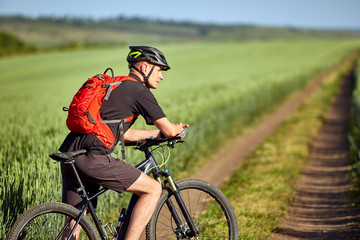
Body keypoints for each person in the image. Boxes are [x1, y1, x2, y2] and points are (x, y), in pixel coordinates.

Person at [59, 46, 189, 240]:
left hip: (71, 153)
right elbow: (170, 130)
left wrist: (154, 134)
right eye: (160, 70)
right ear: (145, 68)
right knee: (154, 189)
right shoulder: (138, 90)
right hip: (94, 158)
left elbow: (121, 134)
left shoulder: (117, 85)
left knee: (75, 222)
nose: (161, 76)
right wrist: (176, 130)